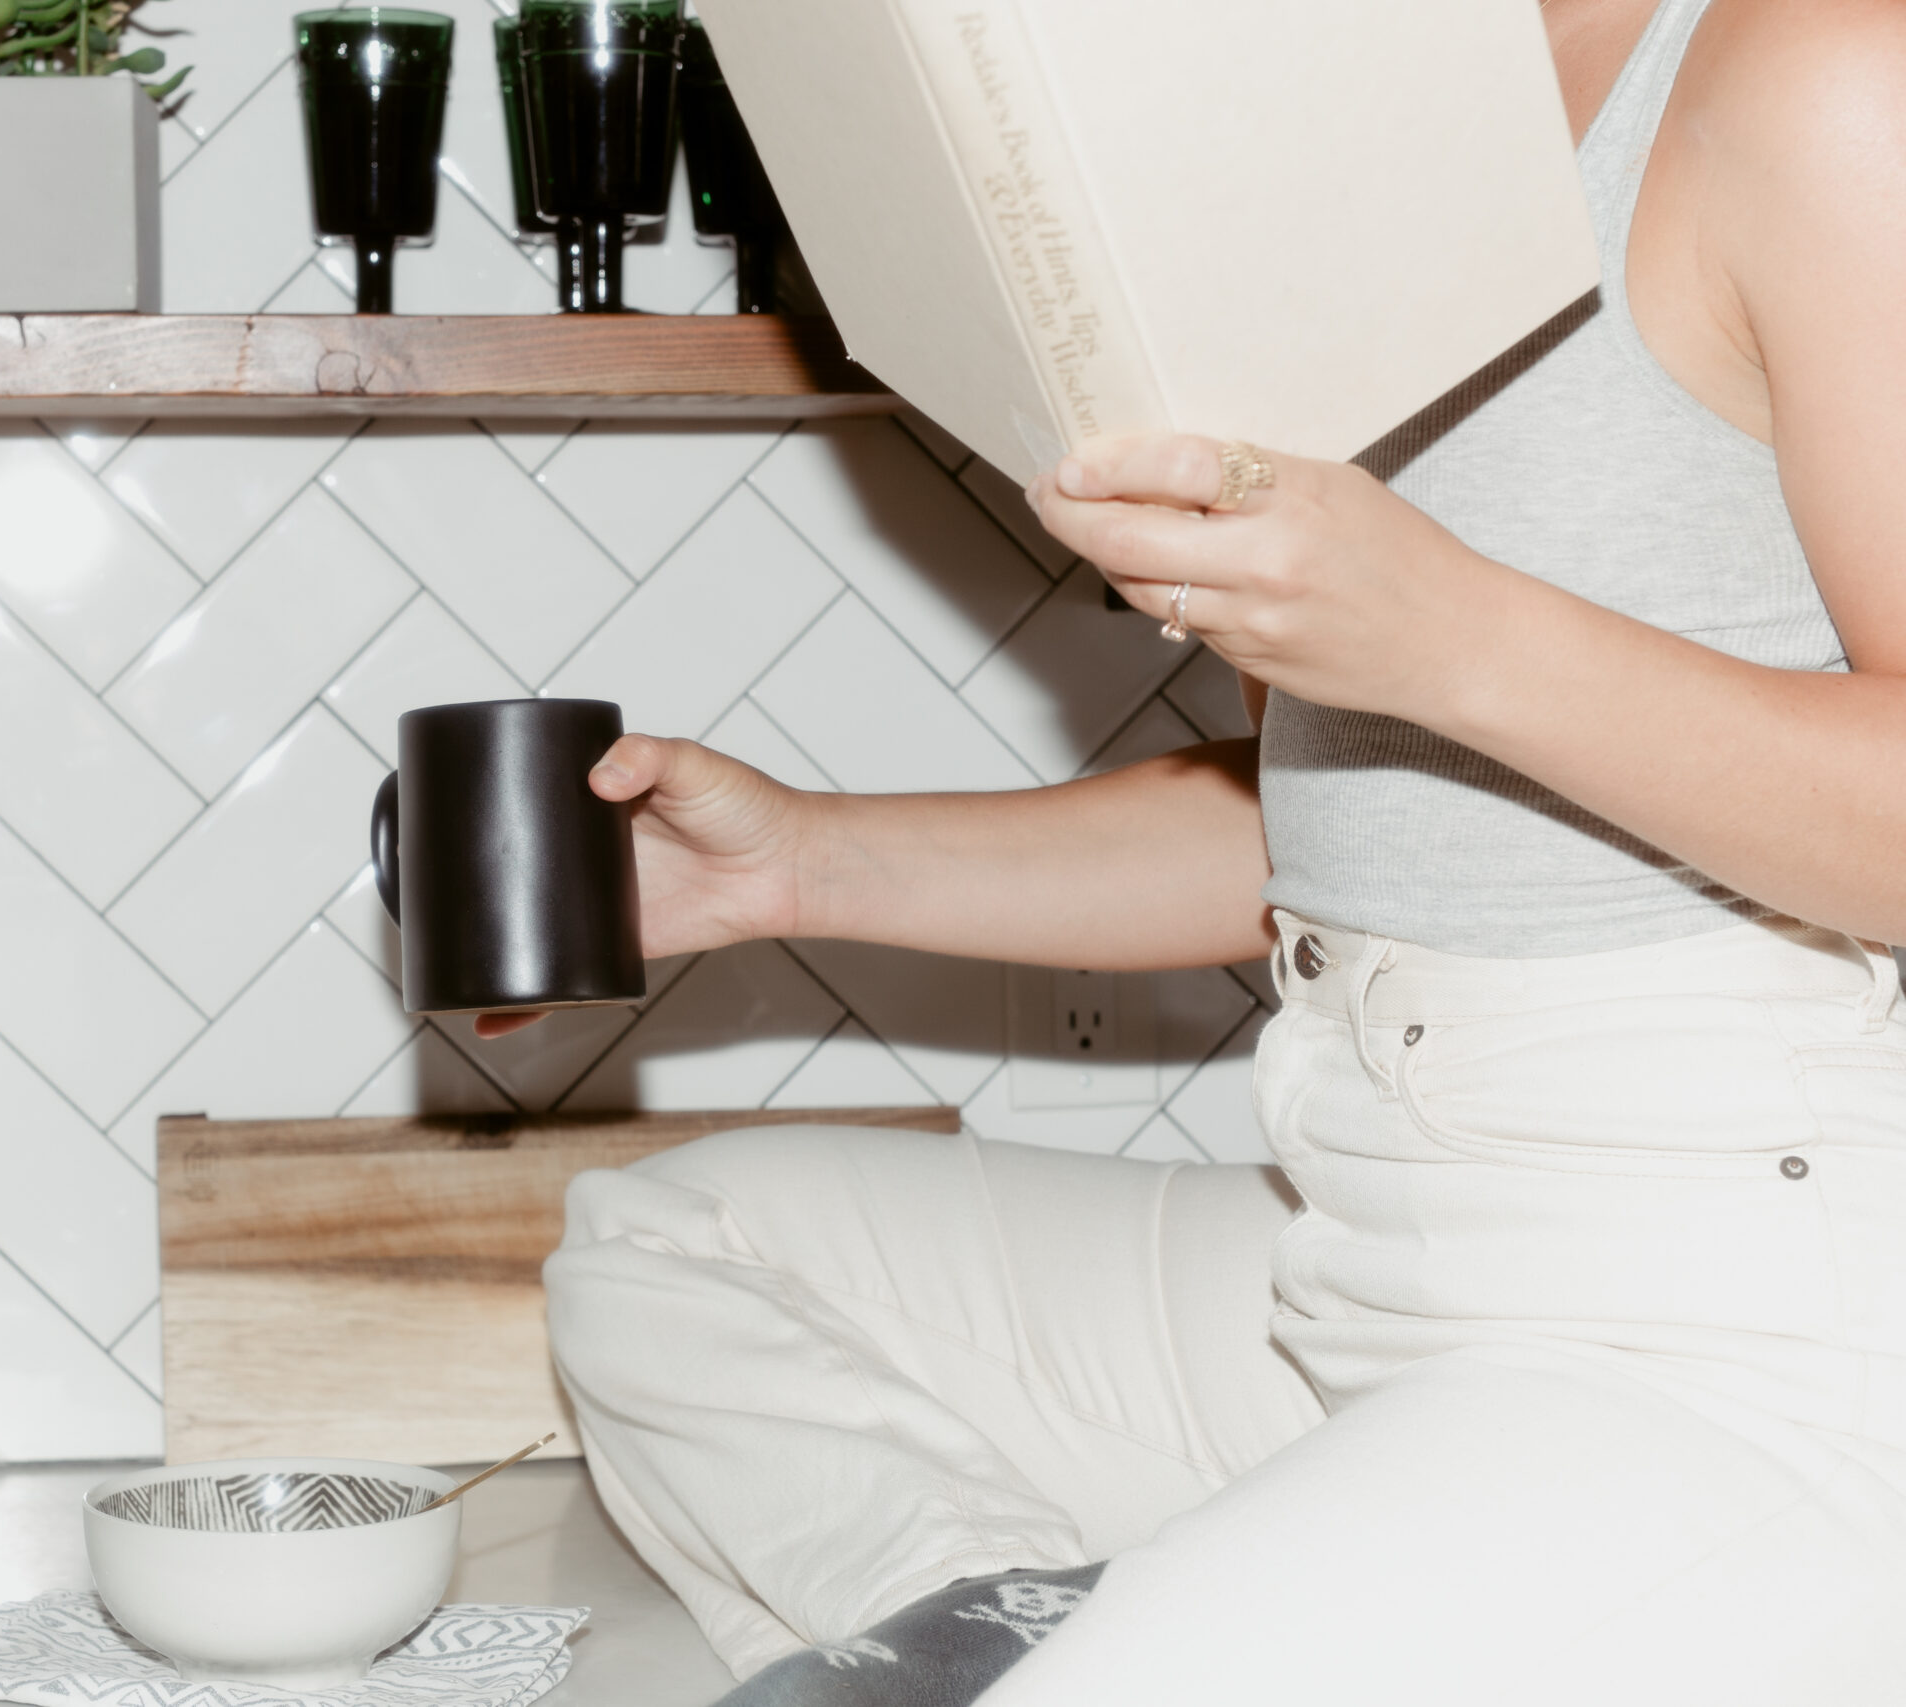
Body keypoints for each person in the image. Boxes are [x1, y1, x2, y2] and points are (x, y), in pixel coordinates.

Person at [518, 1, 1906, 1701]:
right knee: (673, 1249)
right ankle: (999, 1634)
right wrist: (795, 868)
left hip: (1731, 1317)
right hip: (1361, 1249)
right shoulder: (1363, 117)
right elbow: (1353, 818)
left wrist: (1444, 630)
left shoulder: (1827, 77)